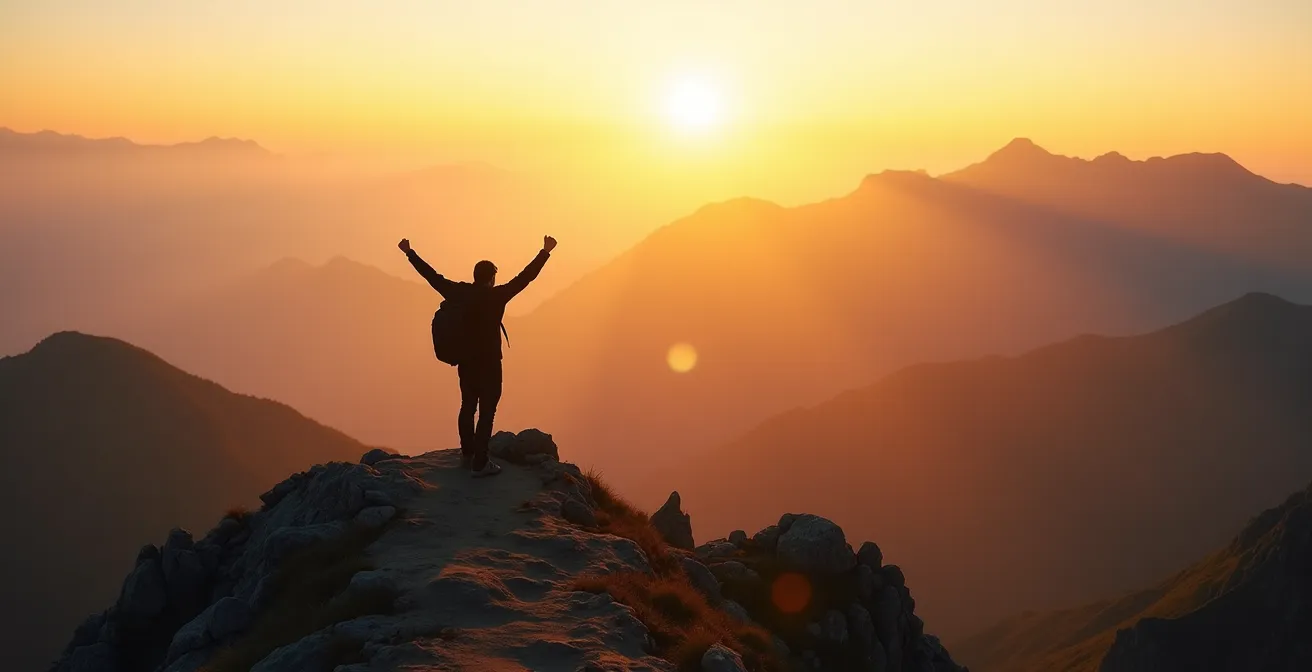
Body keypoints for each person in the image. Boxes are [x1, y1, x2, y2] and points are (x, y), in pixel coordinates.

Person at [399, 235, 556, 477]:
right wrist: (545, 252)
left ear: (475, 276)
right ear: (491, 278)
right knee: (487, 412)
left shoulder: (459, 292)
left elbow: (432, 276)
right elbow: (525, 277)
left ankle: (468, 453)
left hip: (466, 362)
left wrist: (410, 253)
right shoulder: (497, 296)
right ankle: (480, 463)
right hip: (490, 364)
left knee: (467, 406)